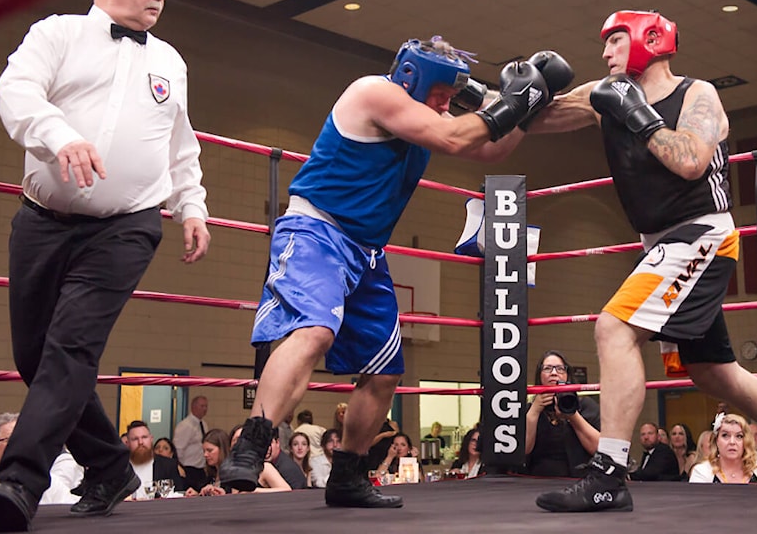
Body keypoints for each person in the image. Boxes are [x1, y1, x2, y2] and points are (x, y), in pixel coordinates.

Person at [218, 36, 573, 510]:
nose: (446, 104)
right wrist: (512, 98)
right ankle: (251, 443)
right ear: (413, 76)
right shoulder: (374, 92)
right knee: (315, 331)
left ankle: (347, 475)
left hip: (366, 252)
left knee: (385, 374)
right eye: (441, 93)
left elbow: (489, 151)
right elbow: (454, 136)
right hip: (317, 230)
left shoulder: (427, 115)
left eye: (451, 96)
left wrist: (527, 106)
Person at [526, 9, 757, 513]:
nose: (604, 53)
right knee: (712, 371)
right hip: (662, 244)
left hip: (701, 234)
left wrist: (638, 113)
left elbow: (690, 160)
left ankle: (609, 472)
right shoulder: (604, 94)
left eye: (613, 41)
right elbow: (537, 117)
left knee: (613, 329)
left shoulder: (698, 95)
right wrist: (478, 94)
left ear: (648, 40)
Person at [0, 0, 210, 532]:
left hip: (127, 225)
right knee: (35, 357)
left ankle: (20, 480)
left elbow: (180, 146)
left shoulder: (172, 61)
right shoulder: (56, 34)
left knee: (71, 350)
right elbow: (14, 92)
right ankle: (109, 466)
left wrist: (193, 205)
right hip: (41, 218)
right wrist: (61, 136)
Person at [524, 350, 600, 477]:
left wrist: (573, 416)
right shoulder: (529, 409)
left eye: (560, 369)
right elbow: (524, 450)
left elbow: (599, 449)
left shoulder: (585, 405)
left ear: (567, 375)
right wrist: (534, 411)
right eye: (547, 368)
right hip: (537, 480)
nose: (554, 373)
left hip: (579, 480)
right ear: (540, 375)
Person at [688, 414, 757, 484]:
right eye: (725, 435)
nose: (732, 442)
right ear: (716, 441)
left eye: (739, 436)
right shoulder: (702, 472)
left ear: (746, 441)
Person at [124, 421, 187, 499]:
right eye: (135, 439)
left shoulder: (168, 465)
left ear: (151, 439)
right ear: (127, 443)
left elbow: (179, 495)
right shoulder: (120, 467)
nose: (140, 442)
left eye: (144, 437)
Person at [173, 395, 209, 491]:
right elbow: (178, 449)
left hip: (201, 469)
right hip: (189, 469)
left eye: (206, 406)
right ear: (193, 406)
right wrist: (180, 467)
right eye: (202, 406)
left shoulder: (203, 424)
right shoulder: (185, 425)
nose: (205, 409)